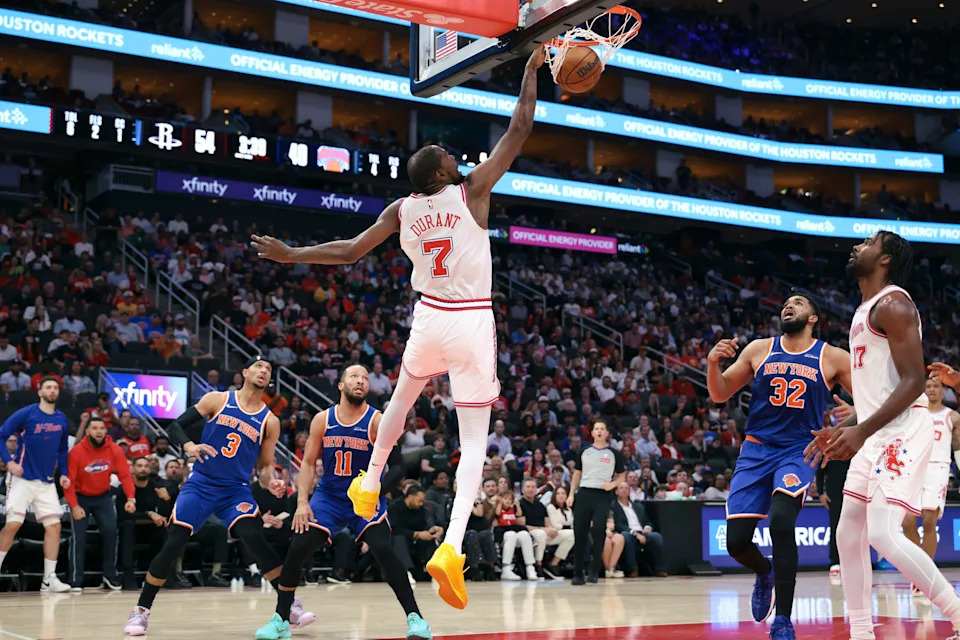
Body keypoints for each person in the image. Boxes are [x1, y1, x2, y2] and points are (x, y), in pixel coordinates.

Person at [251, 48, 546, 610]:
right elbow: (521, 127)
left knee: (402, 400)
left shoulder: (402, 208)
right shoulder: (471, 192)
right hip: (470, 320)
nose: (459, 158)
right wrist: (529, 73)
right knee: (474, 442)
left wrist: (291, 255)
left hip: (428, 317)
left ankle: (370, 477)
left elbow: (349, 252)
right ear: (442, 174)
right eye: (450, 156)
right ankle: (452, 548)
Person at [806, 232, 960, 640]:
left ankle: (958, 613)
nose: (858, 245)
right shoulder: (864, 309)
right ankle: (861, 632)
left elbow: (913, 383)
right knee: (846, 531)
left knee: (883, 533)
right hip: (877, 431)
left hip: (904, 430)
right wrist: (851, 424)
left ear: (885, 258)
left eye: (870, 242)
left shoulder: (893, 303)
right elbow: (884, 385)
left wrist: (861, 430)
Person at [706, 294, 851, 639]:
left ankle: (783, 619)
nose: (789, 306)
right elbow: (720, 393)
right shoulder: (759, 349)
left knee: (782, 522)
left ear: (813, 318)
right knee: (737, 542)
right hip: (756, 449)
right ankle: (763, 571)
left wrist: (852, 419)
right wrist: (713, 364)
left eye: (798, 303)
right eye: (786, 303)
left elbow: (871, 398)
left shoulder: (832, 356)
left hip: (798, 449)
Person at [255, 365, 431, 640]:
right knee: (298, 546)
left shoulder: (377, 420)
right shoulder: (322, 420)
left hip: (365, 496)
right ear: (340, 384)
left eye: (365, 378)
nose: (360, 381)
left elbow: (397, 468)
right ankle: (281, 618)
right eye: (354, 377)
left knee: (383, 549)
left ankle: (416, 619)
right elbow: (309, 463)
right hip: (330, 496)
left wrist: (376, 492)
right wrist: (303, 502)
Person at [124, 357, 288, 636]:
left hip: (235, 489)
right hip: (201, 483)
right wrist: (189, 445)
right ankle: (141, 610)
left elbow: (264, 465)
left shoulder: (270, 421)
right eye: (258, 367)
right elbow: (176, 426)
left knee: (255, 537)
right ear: (245, 372)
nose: (263, 372)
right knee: (175, 541)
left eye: (268, 370)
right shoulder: (218, 399)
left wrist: (271, 482)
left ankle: (289, 604)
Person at [0, 376, 72, 592]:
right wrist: (10, 463)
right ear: (39, 392)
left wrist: (64, 473)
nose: (52, 391)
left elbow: (62, 450)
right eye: (48, 387)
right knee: (13, 524)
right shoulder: (27, 413)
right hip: (21, 479)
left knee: (54, 527)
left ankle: (48, 579)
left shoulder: (62, 419)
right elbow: (1, 435)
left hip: (46, 482)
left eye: (55, 388)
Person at [902, 377, 960, 591]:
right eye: (928, 386)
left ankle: (925, 577)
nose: (932, 390)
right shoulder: (914, 414)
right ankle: (920, 567)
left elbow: (958, 449)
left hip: (938, 469)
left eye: (936, 386)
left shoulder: (951, 417)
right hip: (914, 469)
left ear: (943, 390)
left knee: (928, 521)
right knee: (907, 521)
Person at [65, 417, 136, 591]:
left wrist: (131, 498)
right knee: (78, 537)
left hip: (103, 496)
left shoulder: (114, 449)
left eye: (102, 428)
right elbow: (69, 483)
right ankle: (76, 580)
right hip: (81, 497)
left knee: (111, 532)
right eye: (95, 428)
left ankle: (109, 575)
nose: (99, 431)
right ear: (88, 431)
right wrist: (74, 506)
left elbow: (125, 475)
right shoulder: (76, 452)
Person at [568, 421, 625, 585]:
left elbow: (621, 475)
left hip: (602, 495)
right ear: (592, 433)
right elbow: (577, 474)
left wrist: (613, 485)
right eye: (596, 429)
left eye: (602, 429)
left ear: (607, 433)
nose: (599, 431)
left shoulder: (614, 453)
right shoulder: (584, 451)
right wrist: (572, 494)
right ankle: (578, 573)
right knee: (580, 532)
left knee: (599, 530)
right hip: (584, 493)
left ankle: (594, 571)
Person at [611, 482, 667, 578]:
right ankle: (632, 569)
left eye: (626, 488)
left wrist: (647, 528)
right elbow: (619, 525)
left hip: (642, 531)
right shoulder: (613, 506)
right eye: (621, 488)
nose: (624, 490)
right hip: (628, 532)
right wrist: (636, 534)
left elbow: (647, 521)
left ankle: (660, 569)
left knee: (656, 536)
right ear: (616, 492)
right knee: (626, 536)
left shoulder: (638, 506)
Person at [544, 486, 575, 575]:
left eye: (563, 493)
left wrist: (566, 526)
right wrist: (568, 526)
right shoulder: (551, 507)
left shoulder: (568, 509)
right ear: (554, 495)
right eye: (558, 493)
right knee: (572, 534)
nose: (561, 496)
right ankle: (554, 563)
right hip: (552, 534)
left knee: (574, 535)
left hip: (564, 533)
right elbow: (555, 525)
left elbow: (571, 523)